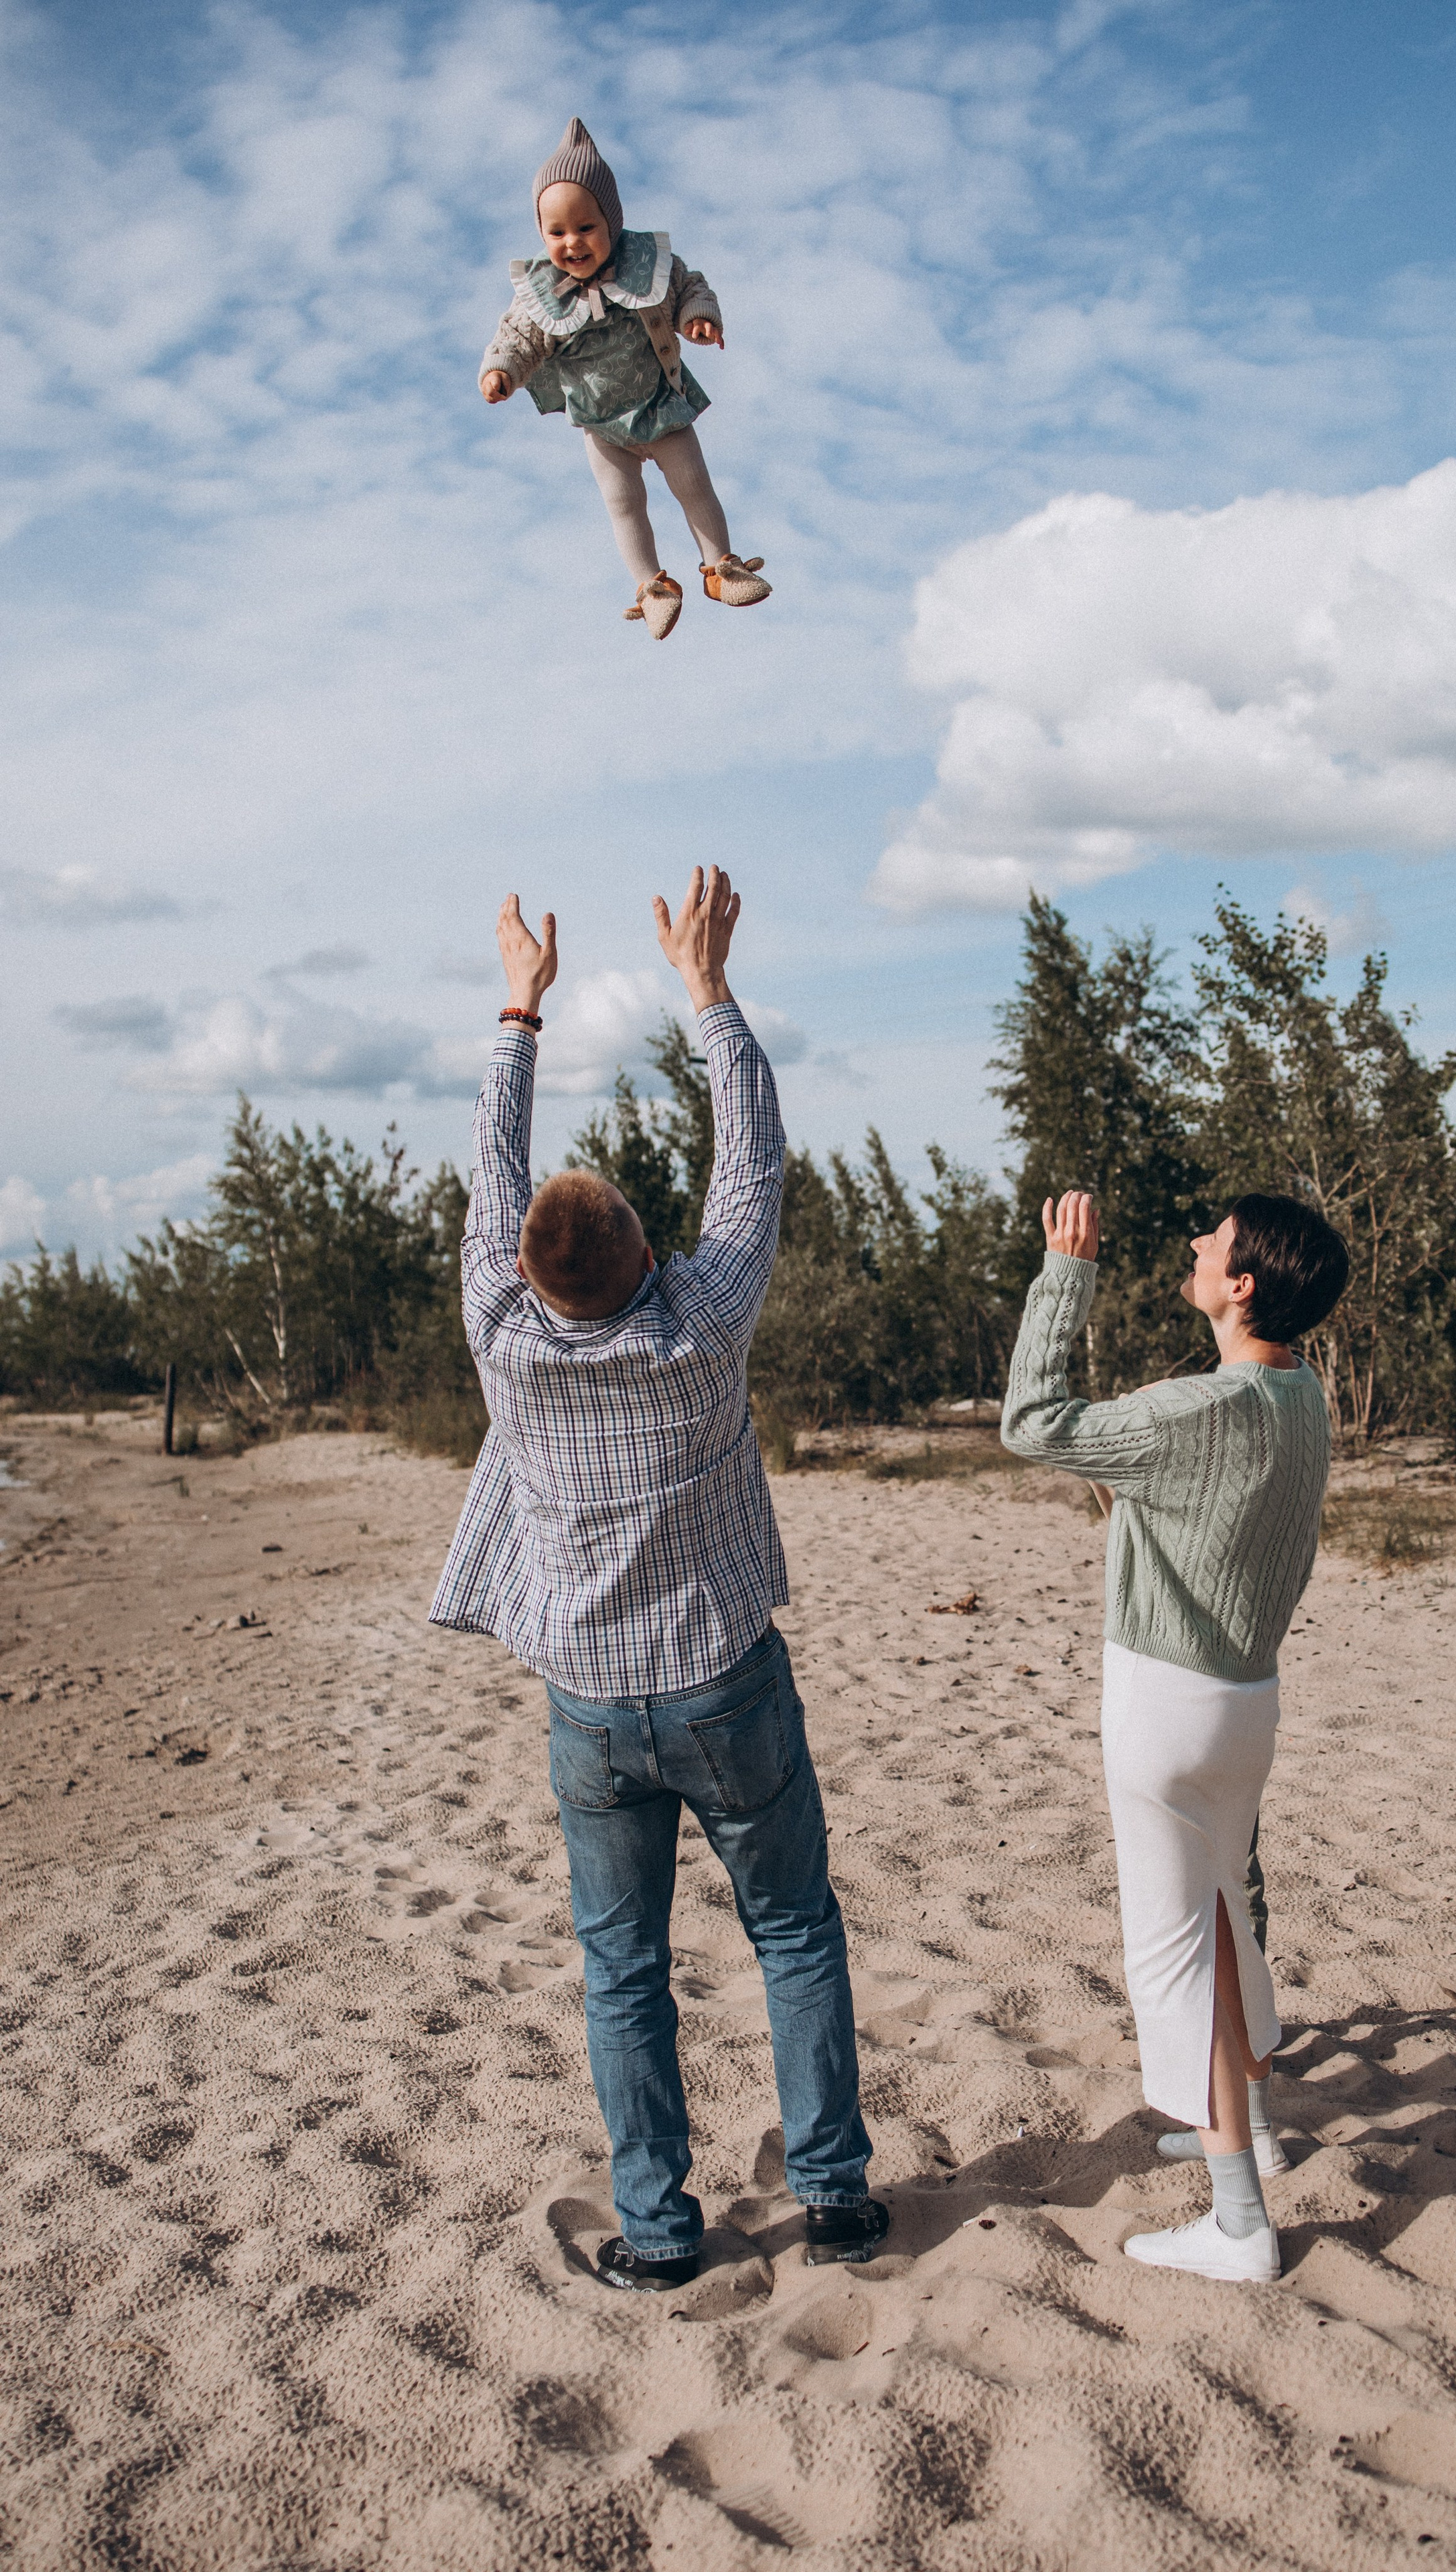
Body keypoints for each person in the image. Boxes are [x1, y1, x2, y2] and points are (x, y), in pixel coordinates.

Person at [430, 869, 885, 2289]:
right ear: (644, 1251)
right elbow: (751, 1163)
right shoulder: (700, 1321)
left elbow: (488, 1178)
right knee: (793, 1931)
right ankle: (836, 2201)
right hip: (722, 1681)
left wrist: (519, 1008)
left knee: (621, 1972)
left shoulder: (501, 1332)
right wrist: (706, 989)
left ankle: (657, 2232)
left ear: (530, 1272)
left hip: (587, 1707)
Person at [1002, 1192, 1350, 2283]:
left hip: (1166, 1708)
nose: (1195, 1246)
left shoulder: (1195, 1415)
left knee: (1176, 1956)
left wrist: (1068, 1275)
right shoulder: (1304, 1401)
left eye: (1214, 1242)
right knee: (1227, 1917)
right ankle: (1255, 2126)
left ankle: (1240, 2219)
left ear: (1243, 1282)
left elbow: (1032, 1422)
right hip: (1248, 1703)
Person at [480, 115, 770, 639]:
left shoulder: (647, 265)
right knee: (623, 505)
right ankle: (652, 586)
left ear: (611, 223)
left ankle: (720, 568)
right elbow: (517, 337)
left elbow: (689, 287)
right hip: (601, 423)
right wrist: (500, 370)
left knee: (693, 484)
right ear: (542, 234)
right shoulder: (542, 292)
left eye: (585, 227)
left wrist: (697, 319)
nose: (572, 242)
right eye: (557, 232)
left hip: (660, 404)